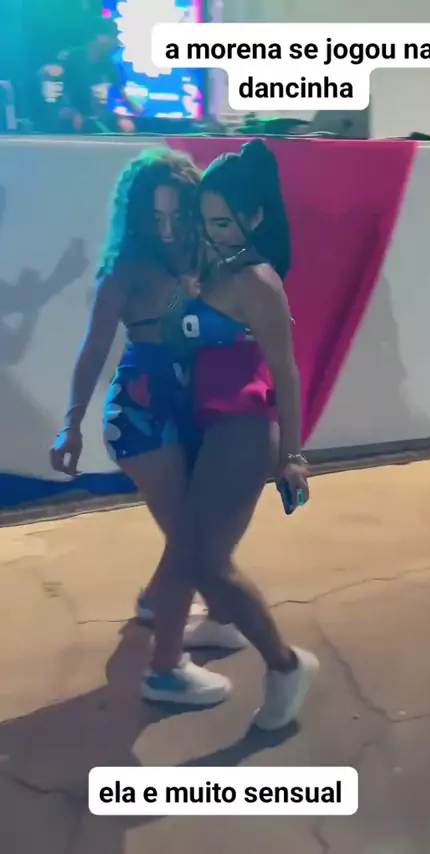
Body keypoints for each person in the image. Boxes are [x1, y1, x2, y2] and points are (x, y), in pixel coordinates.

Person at [50, 147, 244, 706]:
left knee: (203, 527)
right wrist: (71, 425)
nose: (166, 229)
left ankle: (168, 604)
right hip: (140, 413)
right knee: (190, 539)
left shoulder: (210, 258)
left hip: (193, 406)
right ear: (137, 216)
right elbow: (93, 349)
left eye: (177, 215)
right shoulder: (125, 269)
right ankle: (165, 669)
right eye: (154, 217)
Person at [145, 140, 319, 730]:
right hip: (205, 428)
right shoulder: (213, 268)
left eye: (222, 222)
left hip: (242, 430)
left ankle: (286, 665)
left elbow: (287, 373)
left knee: (206, 564)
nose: (212, 232)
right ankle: (227, 627)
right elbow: (177, 335)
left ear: (254, 217)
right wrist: (186, 295)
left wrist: (293, 456)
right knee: (196, 555)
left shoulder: (258, 282)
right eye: (206, 220)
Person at [59, 17, 139, 134]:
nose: (115, 43)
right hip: (71, 114)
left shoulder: (109, 65)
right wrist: (73, 112)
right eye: (112, 37)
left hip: (98, 116)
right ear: (99, 37)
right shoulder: (71, 60)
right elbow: (61, 94)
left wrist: (133, 110)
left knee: (126, 126)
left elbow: (120, 92)